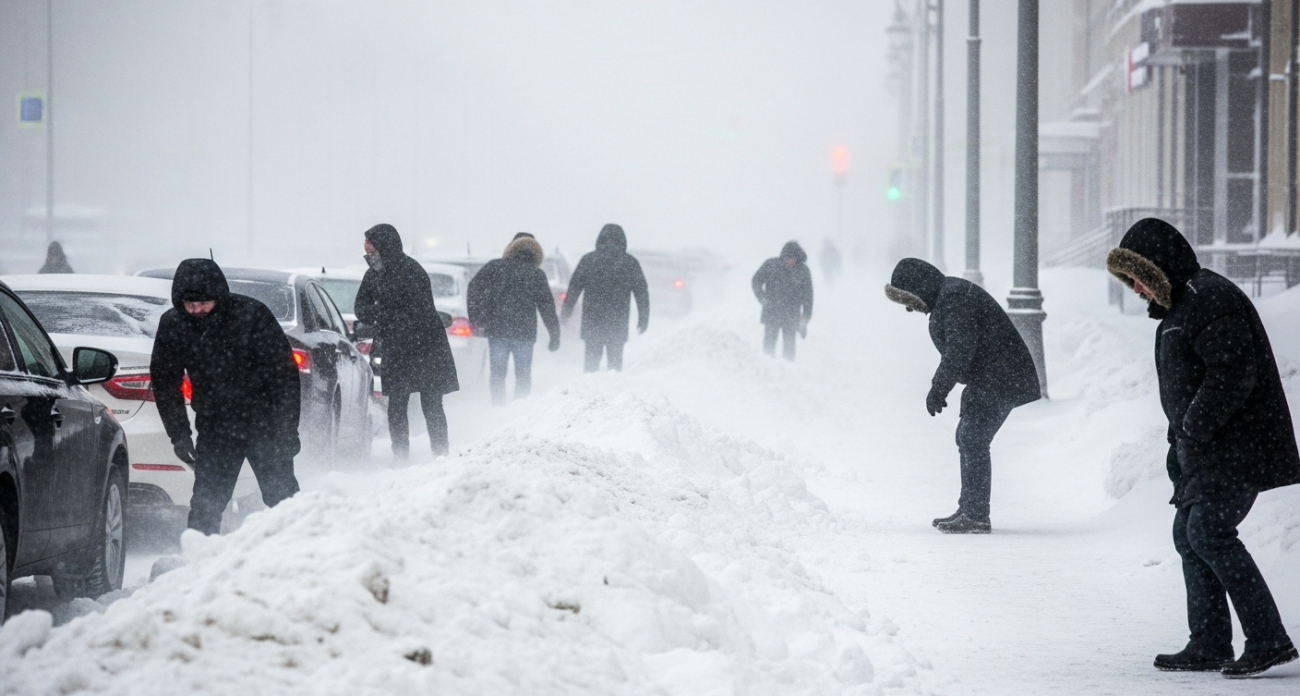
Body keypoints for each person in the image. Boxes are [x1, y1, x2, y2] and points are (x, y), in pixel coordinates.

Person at [1106, 218, 1299, 678]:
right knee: (1188, 533)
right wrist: (1182, 444)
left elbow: (1233, 373)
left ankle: (1269, 640)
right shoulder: (1177, 311)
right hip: (1209, 450)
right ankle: (1211, 642)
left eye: (1136, 277)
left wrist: (1193, 427)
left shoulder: (1209, 299)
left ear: (1156, 268)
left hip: (1240, 446)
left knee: (1208, 532)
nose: (1134, 289)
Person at [884, 257, 1040, 534]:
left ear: (918, 288)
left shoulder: (954, 298)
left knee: (973, 437)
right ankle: (970, 509)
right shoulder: (948, 296)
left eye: (908, 299)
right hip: (994, 376)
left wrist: (938, 387)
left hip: (1002, 376)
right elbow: (961, 351)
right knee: (969, 437)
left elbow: (960, 349)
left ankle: (976, 515)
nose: (909, 308)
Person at [151, 259, 301, 535]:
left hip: (265, 424)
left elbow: (284, 376)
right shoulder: (174, 325)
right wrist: (179, 434)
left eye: (204, 303)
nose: (197, 311)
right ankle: (199, 560)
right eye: (190, 305)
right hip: (216, 428)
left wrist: (287, 428)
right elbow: (164, 383)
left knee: (283, 500)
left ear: (219, 297)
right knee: (206, 505)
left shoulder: (252, 315)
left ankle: (303, 554)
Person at [354, 224, 459, 457]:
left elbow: (419, 311)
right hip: (399, 346)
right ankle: (400, 456)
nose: (365, 245)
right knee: (398, 404)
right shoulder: (374, 273)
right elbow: (361, 308)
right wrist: (382, 316)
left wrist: (386, 317)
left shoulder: (412, 270)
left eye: (369, 240)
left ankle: (441, 455)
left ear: (382, 243)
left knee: (430, 403)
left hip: (425, 346)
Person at [467, 232, 561, 405]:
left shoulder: (494, 267)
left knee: (497, 374)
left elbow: (473, 289)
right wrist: (554, 334)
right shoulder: (536, 274)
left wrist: (477, 319)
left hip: (497, 331)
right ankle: (521, 408)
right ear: (535, 251)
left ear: (511, 247)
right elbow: (547, 307)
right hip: (524, 333)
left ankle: (498, 407)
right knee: (523, 374)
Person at [561, 224, 649, 372]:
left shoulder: (588, 260)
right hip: (617, 324)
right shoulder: (630, 263)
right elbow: (642, 293)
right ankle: (613, 393)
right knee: (614, 368)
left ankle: (585, 393)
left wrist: (565, 313)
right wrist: (643, 318)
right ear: (622, 241)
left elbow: (573, 289)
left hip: (592, 323)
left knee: (591, 366)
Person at [752, 241, 814, 360]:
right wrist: (762, 298)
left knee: (789, 346)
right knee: (769, 344)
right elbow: (756, 281)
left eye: (792, 259)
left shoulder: (803, 271)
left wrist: (804, 321)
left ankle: (788, 371)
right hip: (771, 312)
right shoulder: (770, 265)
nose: (788, 261)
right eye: (786, 258)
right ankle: (766, 369)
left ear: (797, 258)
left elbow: (808, 298)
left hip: (792, 314)